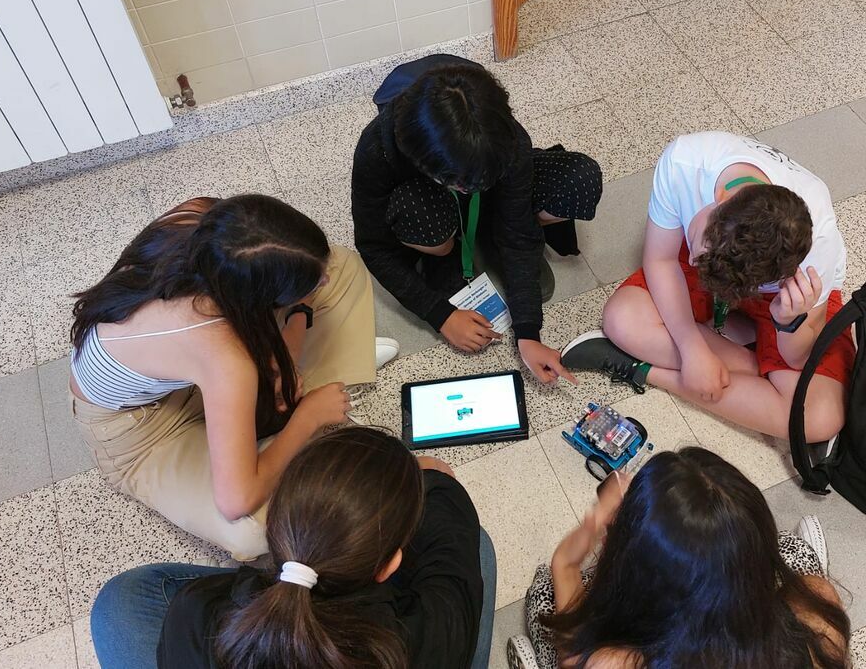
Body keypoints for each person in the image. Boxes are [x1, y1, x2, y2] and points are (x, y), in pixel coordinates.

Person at [69, 194, 397, 559]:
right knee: (253, 528)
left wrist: (293, 331)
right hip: (140, 430)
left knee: (342, 265)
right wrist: (307, 418)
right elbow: (236, 499)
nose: (323, 280)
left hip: (191, 373)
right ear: (256, 299)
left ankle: (308, 397)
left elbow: (301, 286)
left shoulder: (201, 218)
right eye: (308, 284)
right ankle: (319, 403)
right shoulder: (224, 357)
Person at [90, 427, 497, 669]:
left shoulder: (199, 611)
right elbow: (446, 506)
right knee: (474, 544)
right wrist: (425, 475)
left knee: (121, 600)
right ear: (389, 566)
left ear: (274, 530)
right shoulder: (419, 641)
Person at [560, 132, 853, 443]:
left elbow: (797, 359)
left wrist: (787, 323)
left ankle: (642, 368)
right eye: (700, 250)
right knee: (623, 318)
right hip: (729, 271)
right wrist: (692, 348)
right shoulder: (686, 162)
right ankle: (757, 375)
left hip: (780, 300)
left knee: (819, 419)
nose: (694, 259)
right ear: (722, 199)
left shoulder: (817, 242)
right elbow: (661, 260)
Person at [351, 53, 603, 384]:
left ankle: (487, 235)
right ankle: (446, 251)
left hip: (483, 180)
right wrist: (440, 315)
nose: (473, 189)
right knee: (420, 215)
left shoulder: (504, 138)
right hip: (427, 202)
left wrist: (528, 331)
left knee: (579, 179)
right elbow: (373, 246)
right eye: (462, 184)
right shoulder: (378, 148)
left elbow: (518, 232)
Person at [510, 448, 849, 669]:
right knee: (794, 554)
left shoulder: (615, 662)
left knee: (543, 596)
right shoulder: (821, 605)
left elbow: (574, 638)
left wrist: (589, 532)